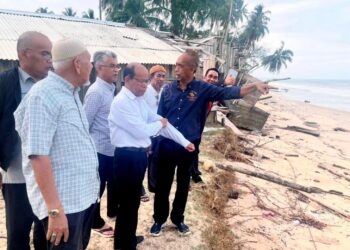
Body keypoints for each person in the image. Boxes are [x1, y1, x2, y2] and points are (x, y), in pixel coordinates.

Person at [150, 49, 272, 237]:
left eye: (180, 66)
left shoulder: (202, 89)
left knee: (183, 185)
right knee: (163, 185)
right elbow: (159, 118)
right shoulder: (167, 89)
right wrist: (153, 142)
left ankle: (178, 219)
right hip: (166, 146)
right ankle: (159, 219)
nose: (177, 69)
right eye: (176, 65)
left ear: (192, 69)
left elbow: (232, 92)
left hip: (188, 147)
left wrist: (254, 86)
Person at [14, 38, 100, 249]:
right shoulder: (43, 95)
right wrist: (55, 212)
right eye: (89, 61)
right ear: (77, 64)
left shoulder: (70, 93)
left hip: (80, 199)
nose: (92, 66)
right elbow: (38, 156)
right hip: (64, 207)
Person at [108, 63, 195, 250]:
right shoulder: (121, 102)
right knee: (126, 205)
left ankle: (129, 238)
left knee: (133, 204)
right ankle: (122, 246)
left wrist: (184, 141)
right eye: (141, 81)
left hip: (139, 157)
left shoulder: (138, 100)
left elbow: (161, 122)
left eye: (146, 81)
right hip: (126, 158)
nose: (144, 86)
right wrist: (161, 124)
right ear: (128, 80)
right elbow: (143, 131)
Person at [0, 31, 51, 250]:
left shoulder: (53, 85)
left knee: (46, 232)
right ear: (25, 54)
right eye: (45, 54)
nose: (50, 60)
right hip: (17, 174)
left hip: (48, 174)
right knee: (19, 234)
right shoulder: (4, 83)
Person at [83, 50, 120, 237]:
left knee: (111, 183)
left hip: (111, 148)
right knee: (97, 188)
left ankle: (111, 211)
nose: (116, 70)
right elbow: (85, 124)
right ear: (98, 68)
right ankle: (94, 221)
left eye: (117, 65)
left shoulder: (111, 89)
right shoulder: (96, 92)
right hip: (98, 150)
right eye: (112, 66)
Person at [190, 67, 237, 183]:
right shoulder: (198, 89)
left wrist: (226, 86)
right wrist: (224, 83)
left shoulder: (211, 93)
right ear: (204, 78)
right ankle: (193, 175)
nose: (212, 79)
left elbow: (222, 93)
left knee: (195, 149)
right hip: (190, 127)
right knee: (191, 150)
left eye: (215, 77)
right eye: (209, 76)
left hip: (199, 126)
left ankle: (194, 170)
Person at [141, 64, 167, 200]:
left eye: (163, 76)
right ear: (151, 77)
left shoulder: (163, 93)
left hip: (158, 131)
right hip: (146, 130)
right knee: (143, 159)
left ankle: (153, 185)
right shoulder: (145, 92)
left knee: (155, 159)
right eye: (158, 76)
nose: (161, 79)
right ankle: (140, 188)